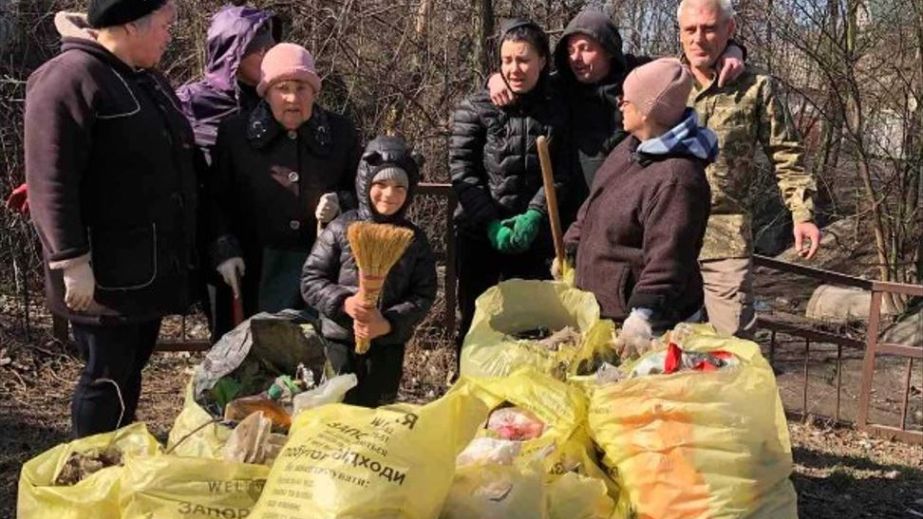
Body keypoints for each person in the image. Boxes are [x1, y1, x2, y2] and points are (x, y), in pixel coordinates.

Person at [24, 0, 199, 437]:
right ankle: (91, 466)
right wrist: (71, 259)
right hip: (103, 274)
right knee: (104, 378)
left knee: (128, 372)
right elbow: (51, 179)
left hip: (146, 267)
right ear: (129, 26)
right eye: (163, 26)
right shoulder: (68, 78)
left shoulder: (144, 79)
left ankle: (118, 457)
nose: (167, 35)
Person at [488, 7, 743, 209]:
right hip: (570, 212)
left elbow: (684, 67)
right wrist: (495, 78)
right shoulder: (559, 86)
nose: (576, 58)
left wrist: (732, 50)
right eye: (570, 50)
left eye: (586, 49)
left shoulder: (638, 76)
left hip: (628, 206)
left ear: (608, 50)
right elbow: (521, 76)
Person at [678, 0, 820, 337]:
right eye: (690, 29)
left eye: (710, 28)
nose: (699, 38)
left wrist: (803, 214)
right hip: (666, 237)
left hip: (724, 240)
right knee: (664, 353)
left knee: (733, 351)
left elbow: (786, 151)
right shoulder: (665, 81)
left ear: (730, 30)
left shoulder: (756, 88)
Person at [560, 58, 717, 357]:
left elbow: (669, 259)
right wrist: (572, 245)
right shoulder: (630, 147)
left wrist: (643, 316)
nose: (619, 103)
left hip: (650, 329)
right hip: (604, 313)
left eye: (627, 99)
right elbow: (596, 202)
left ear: (647, 111)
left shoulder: (677, 179)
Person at [209, 42, 361, 320]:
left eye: (301, 88)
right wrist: (224, 250)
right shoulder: (235, 135)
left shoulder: (341, 133)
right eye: (283, 89)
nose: (293, 98)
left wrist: (342, 203)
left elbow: (362, 194)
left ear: (315, 92)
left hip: (322, 269)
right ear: (266, 93)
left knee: (315, 354)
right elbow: (216, 200)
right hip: (252, 269)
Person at [449, 19, 571, 354]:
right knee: (476, 319)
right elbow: (462, 170)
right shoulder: (477, 107)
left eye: (523, 60)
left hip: (534, 240)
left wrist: (535, 214)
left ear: (543, 61)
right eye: (506, 61)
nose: (514, 69)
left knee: (531, 325)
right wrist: (489, 222)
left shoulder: (557, 110)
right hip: (480, 236)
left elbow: (562, 172)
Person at [301, 136, 437, 407]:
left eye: (400, 187)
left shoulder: (412, 239)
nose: (389, 195)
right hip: (338, 340)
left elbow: (423, 293)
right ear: (366, 183)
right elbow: (311, 279)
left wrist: (388, 323)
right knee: (337, 406)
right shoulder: (341, 228)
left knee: (378, 409)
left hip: (387, 345)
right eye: (381, 185)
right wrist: (346, 303)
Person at [176, 4, 278, 164]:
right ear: (233, 55)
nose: (269, 57)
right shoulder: (190, 102)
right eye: (260, 50)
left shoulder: (276, 102)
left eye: (272, 48)